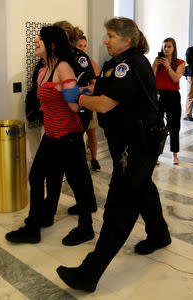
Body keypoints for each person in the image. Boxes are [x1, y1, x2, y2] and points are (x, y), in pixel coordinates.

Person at [56, 17, 171, 293]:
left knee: (121, 203)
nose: (105, 40)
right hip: (131, 142)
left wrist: (75, 98)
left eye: (110, 35)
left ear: (127, 40)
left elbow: (105, 105)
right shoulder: (116, 64)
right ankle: (159, 234)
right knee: (142, 187)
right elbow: (101, 90)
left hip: (137, 144)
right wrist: (86, 91)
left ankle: (89, 273)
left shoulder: (128, 65)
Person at [5, 26, 95, 246]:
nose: (36, 40)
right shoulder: (44, 70)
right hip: (52, 134)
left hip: (69, 135)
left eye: (40, 39)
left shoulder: (64, 67)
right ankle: (33, 227)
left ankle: (86, 228)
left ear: (52, 45)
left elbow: (74, 107)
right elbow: (46, 103)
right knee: (36, 176)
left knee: (78, 183)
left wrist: (79, 94)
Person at [53, 21, 98, 216]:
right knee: (72, 163)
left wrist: (70, 92)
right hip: (59, 117)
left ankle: (87, 204)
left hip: (77, 115)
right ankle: (86, 202)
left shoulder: (79, 58)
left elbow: (94, 87)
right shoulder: (53, 57)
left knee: (76, 163)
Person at [152, 37, 185, 165]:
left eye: (169, 46)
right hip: (159, 95)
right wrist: (155, 65)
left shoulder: (181, 62)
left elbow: (176, 79)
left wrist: (168, 67)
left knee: (174, 126)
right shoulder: (158, 62)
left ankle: (174, 154)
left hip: (173, 95)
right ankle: (156, 155)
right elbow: (152, 79)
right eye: (164, 46)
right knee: (157, 125)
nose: (166, 49)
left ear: (174, 48)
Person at [76, 35, 102, 172]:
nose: (84, 48)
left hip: (89, 101)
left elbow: (95, 84)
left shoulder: (90, 63)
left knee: (91, 132)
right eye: (80, 46)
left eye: (85, 45)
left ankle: (94, 159)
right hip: (75, 104)